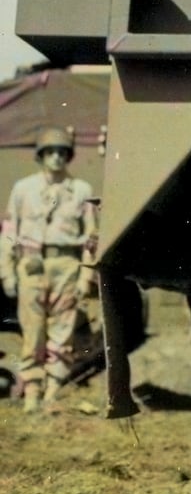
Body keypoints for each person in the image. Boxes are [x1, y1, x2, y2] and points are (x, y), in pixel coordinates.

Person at [1, 127, 97, 414]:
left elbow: (91, 238)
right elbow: (8, 232)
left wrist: (85, 276)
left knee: (63, 331)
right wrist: (7, 271)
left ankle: (52, 392)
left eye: (62, 153)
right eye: (50, 152)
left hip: (66, 264)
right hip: (31, 264)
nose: (56, 158)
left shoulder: (81, 190)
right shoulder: (23, 189)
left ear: (68, 157)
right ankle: (32, 391)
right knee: (32, 332)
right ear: (40, 157)